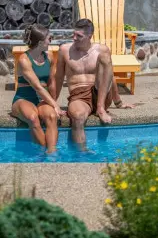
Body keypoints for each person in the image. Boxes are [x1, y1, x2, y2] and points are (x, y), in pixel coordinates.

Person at [55, 18, 135, 149]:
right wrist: (53, 103)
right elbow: (58, 78)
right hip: (79, 96)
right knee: (78, 117)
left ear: (89, 36)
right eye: (73, 34)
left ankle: (100, 108)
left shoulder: (100, 50)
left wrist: (119, 103)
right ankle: (82, 154)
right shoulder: (64, 50)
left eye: (79, 36)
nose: (74, 38)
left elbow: (110, 77)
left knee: (104, 55)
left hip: (101, 96)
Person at [12, 24, 65, 153]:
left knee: (52, 116)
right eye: (49, 38)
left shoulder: (50, 56)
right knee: (32, 118)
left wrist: (53, 102)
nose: (51, 41)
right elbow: (37, 87)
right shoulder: (24, 60)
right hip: (23, 98)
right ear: (41, 42)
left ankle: (52, 152)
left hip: (42, 99)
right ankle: (42, 152)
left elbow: (51, 82)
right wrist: (55, 105)